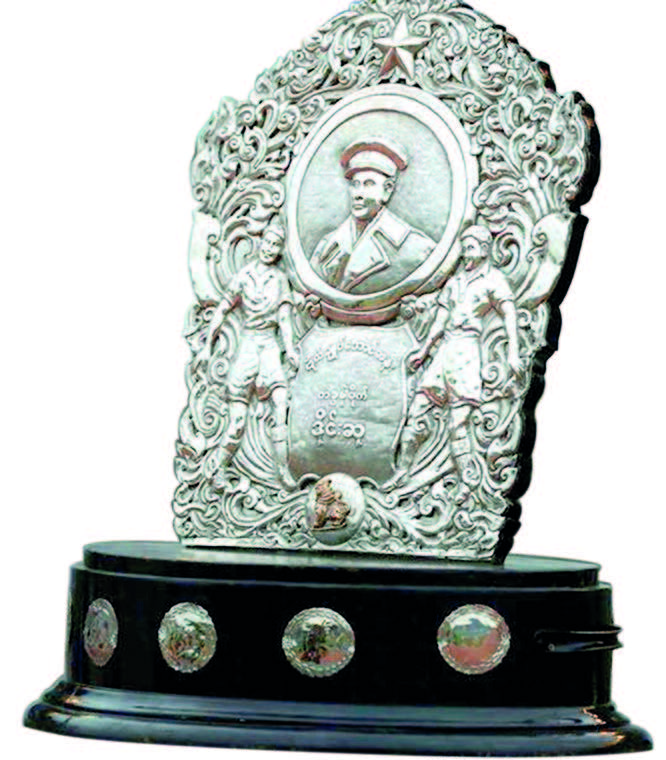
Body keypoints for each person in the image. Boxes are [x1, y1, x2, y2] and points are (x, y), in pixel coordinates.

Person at [387, 225, 522, 500]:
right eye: (464, 247)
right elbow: (440, 320)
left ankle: (468, 483)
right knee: (417, 412)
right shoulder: (455, 282)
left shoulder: (493, 279)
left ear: (484, 249)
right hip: (444, 351)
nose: (465, 253)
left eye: (471, 247)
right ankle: (402, 472)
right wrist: (424, 351)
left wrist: (514, 352)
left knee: (457, 425)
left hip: (467, 352)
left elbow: (509, 312)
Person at [195, 220, 299, 489]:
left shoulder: (280, 279)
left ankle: (283, 472)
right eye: (268, 242)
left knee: (281, 403)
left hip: (270, 347)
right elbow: (222, 309)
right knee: (237, 422)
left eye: (276, 245)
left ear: (279, 250)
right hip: (248, 348)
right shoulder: (243, 276)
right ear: (261, 243)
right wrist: (207, 347)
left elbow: (285, 319)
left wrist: (290, 350)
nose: (270, 248)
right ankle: (217, 468)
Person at [311, 138, 436, 294]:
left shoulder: (417, 249)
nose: (358, 194)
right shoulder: (326, 246)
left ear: (387, 190)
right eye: (355, 185)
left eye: (368, 184)